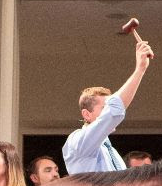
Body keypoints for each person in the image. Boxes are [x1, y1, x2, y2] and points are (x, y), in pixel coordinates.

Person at [62, 38, 154, 174]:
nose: (108, 112)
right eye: (104, 108)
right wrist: (139, 70)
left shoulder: (112, 152)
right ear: (87, 114)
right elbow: (114, 111)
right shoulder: (76, 141)